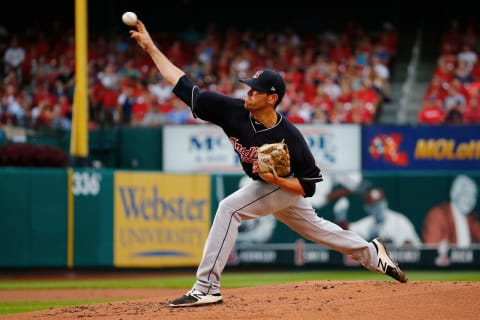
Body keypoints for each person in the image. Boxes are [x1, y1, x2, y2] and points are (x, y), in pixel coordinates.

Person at [128, 19, 407, 308]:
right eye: (249, 88)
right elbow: (184, 87)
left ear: (272, 98)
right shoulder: (232, 110)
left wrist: (277, 181)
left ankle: (206, 287)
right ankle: (373, 253)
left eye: (255, 90)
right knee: (317, 229)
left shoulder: (290, 137)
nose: (248, 93)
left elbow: (308, 186)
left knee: (229, 209)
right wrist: (151, 48)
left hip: (284, 185)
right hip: (266, 183)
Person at [334, 188, 422, 247]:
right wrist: (340, 218)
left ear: (385, 202)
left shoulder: (399, 220)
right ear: (367, 208)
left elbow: (408, 246)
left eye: (380, 203)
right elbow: (348, 231)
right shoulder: (368, 224)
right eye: (374, 205)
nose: (378, 208)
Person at [423, 174, 480, 247]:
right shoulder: (437, 215)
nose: (470, 200)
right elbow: (432, 250)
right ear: (453, 193)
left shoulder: (471, 217)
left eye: (473, 196)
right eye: (465, 194)